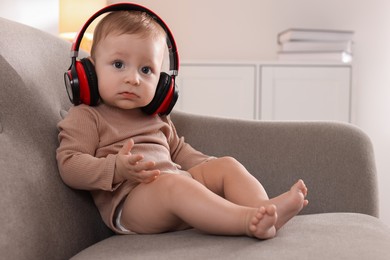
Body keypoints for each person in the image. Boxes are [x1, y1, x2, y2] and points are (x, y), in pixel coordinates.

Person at [56, 9, 308, 240]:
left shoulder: (155, 117)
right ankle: (245, 221)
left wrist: (210, 169)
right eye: (119, 65)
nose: (133, 79)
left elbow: (180, 153)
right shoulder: (88, 116)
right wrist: (116, 169)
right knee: (174, 184)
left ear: (163, 84)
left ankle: (263, 212)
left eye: (146, 70)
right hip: (131, 203)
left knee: (226, 165)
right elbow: (69, 164)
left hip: (175, 183)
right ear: (89, 71)